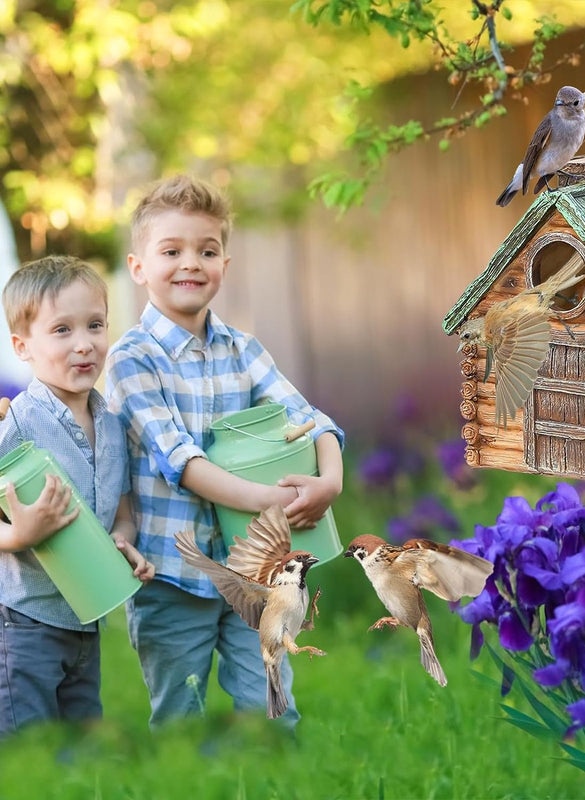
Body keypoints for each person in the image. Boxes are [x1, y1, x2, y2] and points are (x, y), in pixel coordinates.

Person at [105, 174, 344, 728]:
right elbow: (181, 461)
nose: (191, 263)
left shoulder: (243, 349)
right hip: (171, 577)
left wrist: (329, 481)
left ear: (224, 265)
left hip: (255, 574)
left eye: (207, 251)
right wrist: (269, 501)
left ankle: (271, 772)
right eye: (171, 251)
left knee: (271, 707)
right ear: (138, 267)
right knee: (179, 718)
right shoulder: (131, 358)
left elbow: (310, 419)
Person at [0, 255, 155, 735]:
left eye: (95, 325)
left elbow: (122, 509)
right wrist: (17, 536)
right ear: (23, 346)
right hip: (22, 623)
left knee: (83, 749)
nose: (84, 343)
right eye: (62, 330)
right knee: (29, 749)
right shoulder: (17, 424)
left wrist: (123, 542)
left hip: (85, 621)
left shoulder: (111, 423)